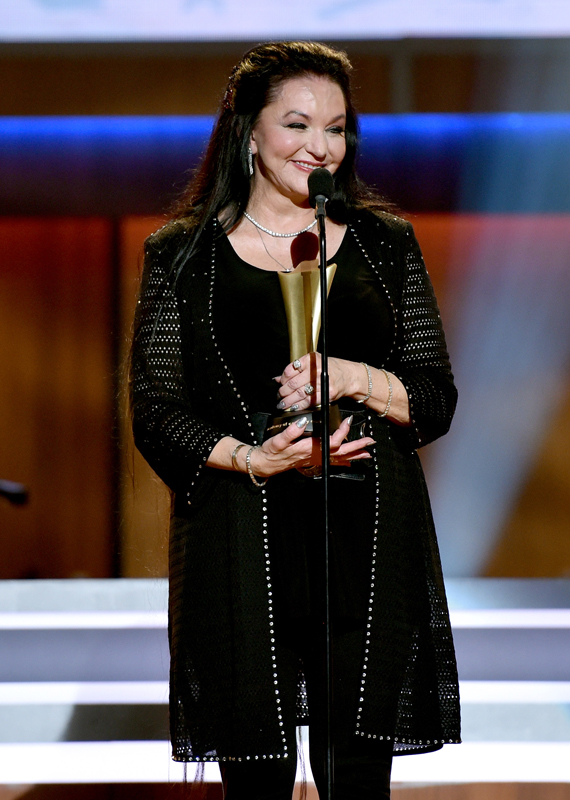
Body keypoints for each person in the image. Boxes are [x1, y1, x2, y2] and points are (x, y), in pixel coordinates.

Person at [131, 40, 460, 800]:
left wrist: (352, 376)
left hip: (367, 539)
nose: (321, 146)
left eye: (337, 128)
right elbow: (155, 411)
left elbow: (434, 397)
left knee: (357, 779)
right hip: (241, 540)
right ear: (250, 132)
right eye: (298, 124)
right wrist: (256, 457)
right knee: (257, 782)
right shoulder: (183, 257)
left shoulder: (385, 244)